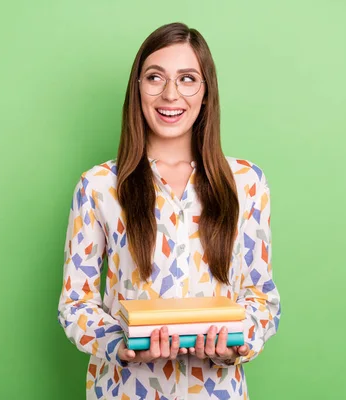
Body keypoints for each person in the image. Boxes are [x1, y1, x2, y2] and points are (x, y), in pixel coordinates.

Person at [57, 22, 280, 400]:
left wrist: (236, 347)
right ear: (138, 89)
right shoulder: (98, 186)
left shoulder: (246, 182)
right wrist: (118, 344)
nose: (170, 94)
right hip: (125, 390)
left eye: (188, 79)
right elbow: (75, 302)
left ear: (206, 93)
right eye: (155, 77)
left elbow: (261, 297)